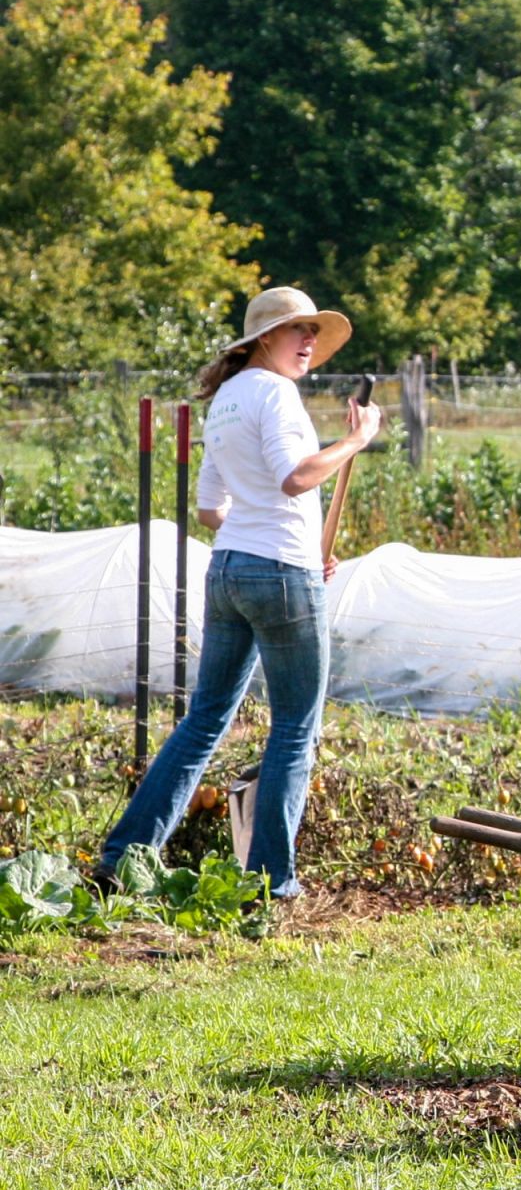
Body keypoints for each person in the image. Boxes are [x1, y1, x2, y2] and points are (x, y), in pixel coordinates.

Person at [95, 287, 382, 901]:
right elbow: (296, 476)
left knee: (202, 722)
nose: (307, 341)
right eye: (295, 331)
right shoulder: (276, 393)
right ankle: (273, 882)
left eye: (312, 332)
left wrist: (285, 547)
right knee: (293, 732)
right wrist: (355, 441)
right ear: (261, 340)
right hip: (278, 575)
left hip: (230, 570)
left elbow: (209, 509)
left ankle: (122, 859)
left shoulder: (225, 399)